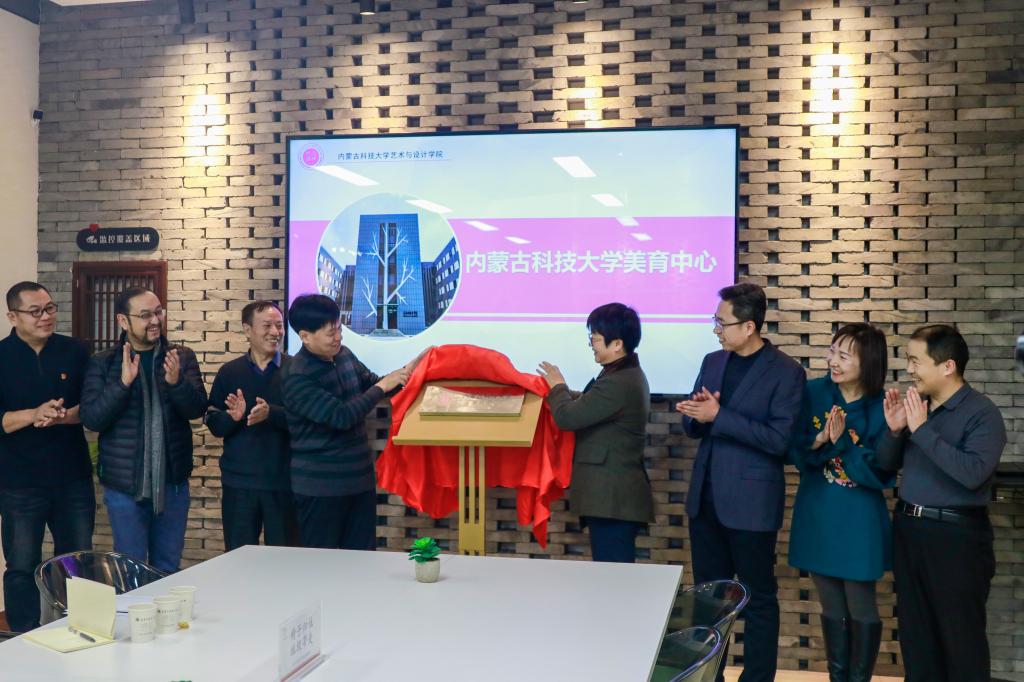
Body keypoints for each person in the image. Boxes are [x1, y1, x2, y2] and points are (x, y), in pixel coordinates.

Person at [675, 282, 805, 682]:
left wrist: (719, 417)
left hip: (752, 505)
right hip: (706, 500)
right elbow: (695, 425)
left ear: (749, 327)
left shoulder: (786, 372)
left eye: (722, 322)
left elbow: (779, 440)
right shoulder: (713, 361)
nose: (716, 329)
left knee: (758, 599)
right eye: (715, 321)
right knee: (708, 600)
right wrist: (695, 415)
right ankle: (709, 676)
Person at [878, 324, 1006, 682]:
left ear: (947, 366)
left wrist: (922, 431)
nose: (909, 369)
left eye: (915, 361)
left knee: (960, 640)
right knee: (916, 637)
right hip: (909, 530)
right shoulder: (918, 408)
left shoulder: (982, 413)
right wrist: (894, 430)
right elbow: (885, 465)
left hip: (956, 538)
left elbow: (972, 473)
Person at [788, 323, 894, 682]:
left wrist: (843, 443)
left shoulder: (884, 406)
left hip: (859, 518)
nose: (832, 361)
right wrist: (819, 440)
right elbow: (795, 451)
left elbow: (880, 471)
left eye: (844, 356)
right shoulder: (814, 393)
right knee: (831, 604)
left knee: (861, 603)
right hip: (818, 511)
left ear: (868, 362)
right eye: (832, 351)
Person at [280, 294, 424, 551]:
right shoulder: (296, 375)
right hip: (320, 488)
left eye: (339, 329)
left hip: (359, 481)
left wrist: (407, 372)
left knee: (362, 559)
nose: (338, 337)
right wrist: (383, 385)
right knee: (322, 564)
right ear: (305, 336)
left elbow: (373, 383)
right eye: (331, 333)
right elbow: (342, 417)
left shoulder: (344, 355)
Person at [80, 287, 207, 573]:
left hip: (172, 484)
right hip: (125, 487)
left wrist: (176, 383)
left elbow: (196, 409)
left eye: (159, 312)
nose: (155, 320)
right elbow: (92, 419)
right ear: (123, 321)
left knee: (168, 568)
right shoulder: (104, 362)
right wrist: (122, 384)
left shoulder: (181, 357)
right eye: (145, 315)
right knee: (130, 569)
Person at [0, 282, 95, 631]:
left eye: (50, 308)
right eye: (35, 311)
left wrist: (62, 416)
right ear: (13, 316)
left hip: (72, 477)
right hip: (19, 482)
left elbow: (92, 407)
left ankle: (80, 630)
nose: (46, 317)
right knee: (22, 565)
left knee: (77, 560)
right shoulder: (2, 356)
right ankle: (22, 638)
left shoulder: (75, 351)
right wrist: (33, 414)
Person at [538, 302, 653, 563]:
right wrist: (558, 392)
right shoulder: (620, 374)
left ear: (617, 344)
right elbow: (588, 402)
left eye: (596, 338)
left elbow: (567, 417)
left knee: (614, 576)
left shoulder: (620, 381)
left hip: (613, 500)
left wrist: (557, 387)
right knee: (610, 573)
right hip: (610, 499)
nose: (591, 344)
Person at [206, 301, 296, 551]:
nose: (275, 332)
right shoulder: (229, 372)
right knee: (238, 558)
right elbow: (214, 423)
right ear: (247, 330)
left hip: (284, 483)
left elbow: (309, 421)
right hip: (239, 484)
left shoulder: (296, 370)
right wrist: (232, 418)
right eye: (267, 326)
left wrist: (272, 413)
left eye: (279, 326)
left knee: (286, 560)